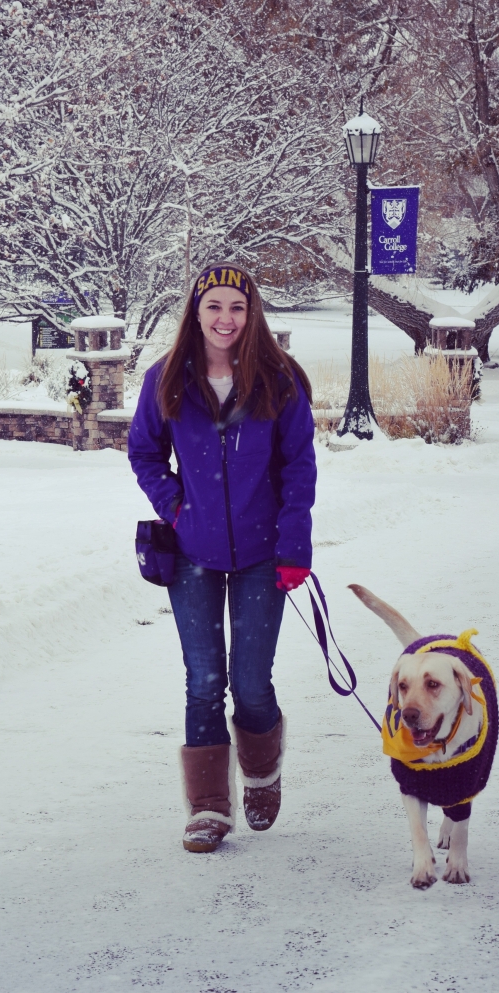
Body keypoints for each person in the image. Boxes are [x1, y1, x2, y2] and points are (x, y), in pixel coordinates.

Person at [128, 263, 317, 853]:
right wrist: (177, 507)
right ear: (197, 312)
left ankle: (262, 774)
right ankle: (208, 808)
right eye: (214, 307)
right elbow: (144, 452)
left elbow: (299, 470)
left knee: (251, 681)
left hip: (264, 553)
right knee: (204, 679)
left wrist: (293, 546)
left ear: (251, 311)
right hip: (193, 553)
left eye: (236, 307)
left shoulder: (279, 380)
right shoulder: (167, 379)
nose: (225, 319)